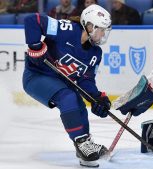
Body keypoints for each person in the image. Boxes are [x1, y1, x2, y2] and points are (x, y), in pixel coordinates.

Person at [22, 4, 112, 167]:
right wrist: (35, 46)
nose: (104, 34)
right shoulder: (66, 29)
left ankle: (85, 146)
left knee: (78, 104)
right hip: (36, 76)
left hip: (59, 82)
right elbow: (32, 20)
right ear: (90, 26)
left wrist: (97, 98)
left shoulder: (95, 53)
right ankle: (80, 142)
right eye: (102, 29)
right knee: (68, 97)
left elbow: (85, 80)